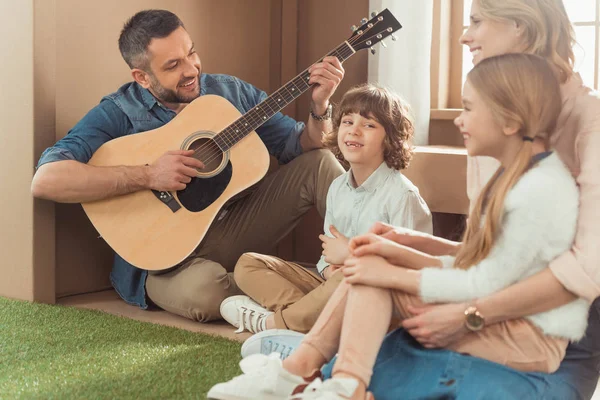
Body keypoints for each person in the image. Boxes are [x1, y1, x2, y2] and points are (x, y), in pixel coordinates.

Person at [207, 53, 590, 400]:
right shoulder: (511, 177)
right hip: (499, 316)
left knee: (375, 273)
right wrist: (401, 243)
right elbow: (480, 258)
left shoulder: (541, 191)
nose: (459, 119)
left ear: (509, 120)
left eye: (470, 109)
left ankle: (315, 372)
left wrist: (397, 268)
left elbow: (487, 282)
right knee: (374, 262)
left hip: (527, 340)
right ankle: (334, 380)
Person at [329, 1, 600, 399]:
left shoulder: (588, 123)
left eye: (476, 21)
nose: (463, 35)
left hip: (555, 338)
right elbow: (495, 256)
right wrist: (412, 243)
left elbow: (587, 269)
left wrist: (469, 316)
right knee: (341, 367)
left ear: (522, 27)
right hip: (482, 302)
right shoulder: (491, 124)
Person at [30, 9, 346, 322]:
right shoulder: (118, 112)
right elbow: (47, 180)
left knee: (320, 163)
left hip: (231, 229)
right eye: (173, 65)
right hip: (165, 263)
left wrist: (320, 106)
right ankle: (314, 293)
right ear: (142, 77)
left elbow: (304, 145)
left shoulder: (229, 92)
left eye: (191, 53)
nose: (191, 68)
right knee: (205, 294)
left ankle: (368, 267)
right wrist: (148, 175)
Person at [217, 84, 432, 347]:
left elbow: (409, 272)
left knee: (350, 275)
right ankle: (313, 321)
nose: (354, 130)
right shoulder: (337, 188)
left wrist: (351, 257)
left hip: (380, 299)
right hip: (332, 287)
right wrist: (329, 269)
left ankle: (273, 324)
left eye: (369, 125)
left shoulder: (403, 196)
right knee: (248, 264)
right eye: (348, 121)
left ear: (391, 138)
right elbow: (328, 255)